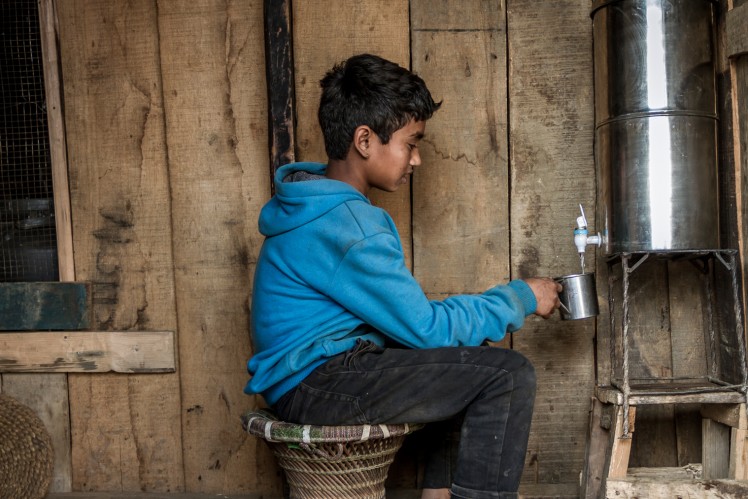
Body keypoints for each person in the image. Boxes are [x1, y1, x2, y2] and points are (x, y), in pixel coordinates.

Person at [245, 53, 562, 499]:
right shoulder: (349, 225)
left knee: (462, 354)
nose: (416, 161)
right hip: (318, 383)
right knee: (506, 375)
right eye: (411, 144)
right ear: (364, 140)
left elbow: (423, 335)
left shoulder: (313, 204)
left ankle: (437, 492)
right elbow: (427, 330)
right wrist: (521, 297)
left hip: (307, 377)